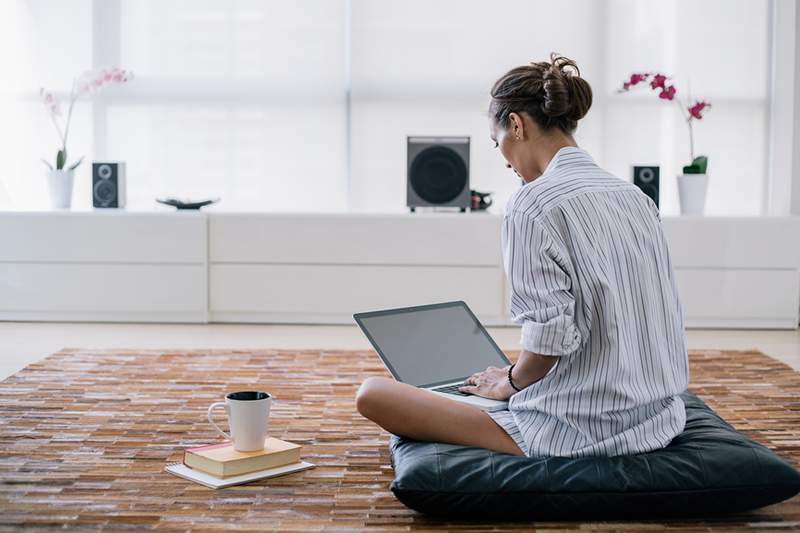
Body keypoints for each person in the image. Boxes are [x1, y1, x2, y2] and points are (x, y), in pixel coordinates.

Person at [355, 53, 688, 458]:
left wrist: (509, 383)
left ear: (516, 124)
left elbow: (550, 336)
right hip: (659, 416)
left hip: (578, 429)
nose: (503, 157)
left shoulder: (532, 204)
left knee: (372, 394)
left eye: (498, 142)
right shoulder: (634, 197)